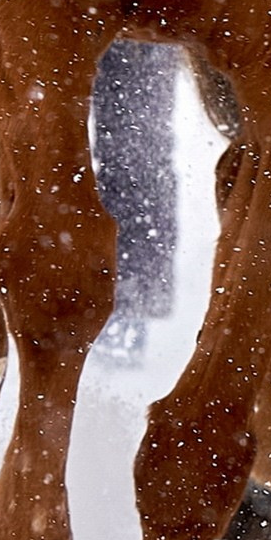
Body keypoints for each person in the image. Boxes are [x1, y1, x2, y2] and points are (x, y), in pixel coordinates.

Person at [88, 40, 178, 364]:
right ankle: (127, 297)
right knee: (135, 152)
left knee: (136, 151)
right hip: (125, 31)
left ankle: (129, 301)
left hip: (136, 24)